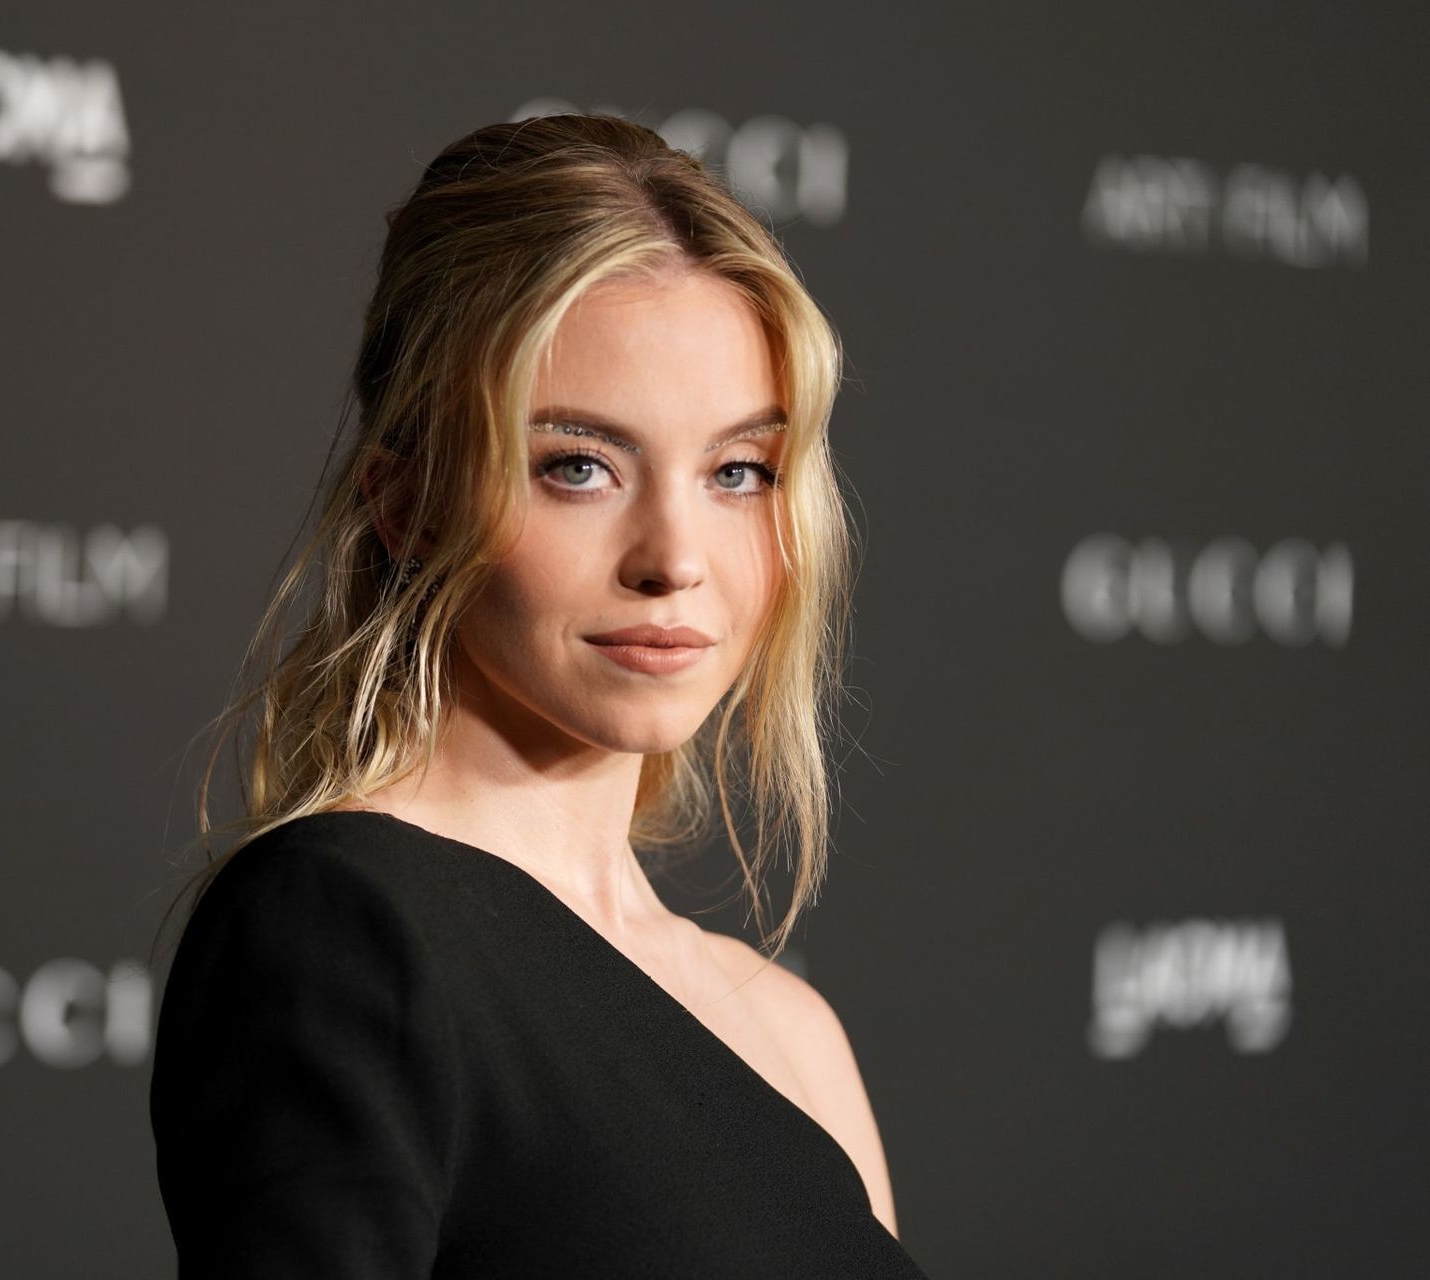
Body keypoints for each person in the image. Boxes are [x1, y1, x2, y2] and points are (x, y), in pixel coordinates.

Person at [149, 112, 931, 1277]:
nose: (675, 557)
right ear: (409, 505)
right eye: (580, 466)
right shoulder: (341, 929)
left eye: (737, 471)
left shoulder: (789, 1027)